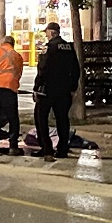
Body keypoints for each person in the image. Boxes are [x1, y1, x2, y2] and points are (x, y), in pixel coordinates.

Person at [33, 22, 80, 162]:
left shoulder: (49, 47)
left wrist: (37, 87)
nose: (46, 35)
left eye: (46, 32)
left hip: (48, 89)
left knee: (41, 118)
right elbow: (76, 69)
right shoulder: (69, 47)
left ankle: (46, 148)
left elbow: (43, 69)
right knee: (62, 119)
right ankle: (62, 149)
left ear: (52, 32)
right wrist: (72, 88)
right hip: (64, 90)